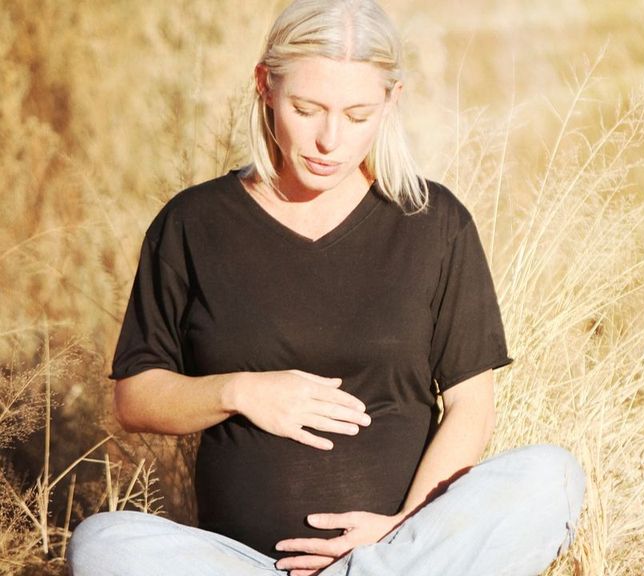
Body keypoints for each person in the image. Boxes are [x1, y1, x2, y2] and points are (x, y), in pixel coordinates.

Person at [66, 1, 585, 574]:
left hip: (399, 551)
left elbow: (471, 404)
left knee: (551, 478)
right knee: (103, 543)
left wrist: (403, 529)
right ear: (265, 86)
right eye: (306, 109)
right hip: (239, 563)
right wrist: (240, 391)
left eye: (358, 114)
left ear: (392, 101)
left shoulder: (434, 222)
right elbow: (136, 397)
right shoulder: (193, 223)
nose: (329, 140)